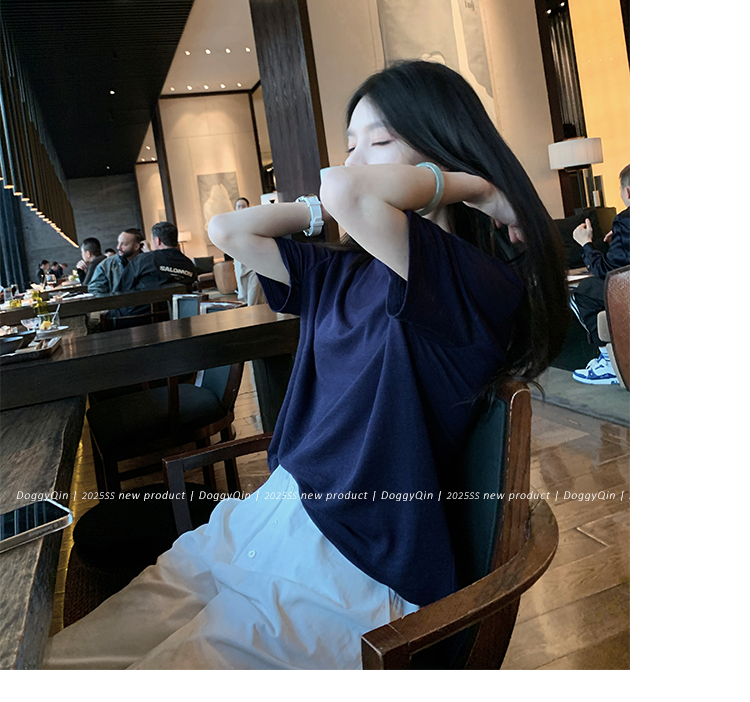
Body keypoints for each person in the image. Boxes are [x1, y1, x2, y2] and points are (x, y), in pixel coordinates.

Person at [44, 61, 568, 670]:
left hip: (351, 567)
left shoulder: (469, 281)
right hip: (271, 515)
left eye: (379, 142)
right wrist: (319, 212)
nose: (353, 160)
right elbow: (227, 228)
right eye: (350, 145)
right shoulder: (345, 270)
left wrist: (474, 185)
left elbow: (350, 192)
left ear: (439, 148)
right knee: (68, 660)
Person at [570, 164, 630, 386]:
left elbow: (609, 273)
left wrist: (585, 243)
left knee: (584, 291)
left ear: (628, 192)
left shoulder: (626, 219)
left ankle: (611, 362)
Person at [104, 222, 198, 321]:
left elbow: (120, 291)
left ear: (157, 240)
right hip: (176, 316)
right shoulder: (189, 264)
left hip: (138, 318)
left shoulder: (143, 260)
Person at [87, 229, 145, 296]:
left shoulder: (148, 263)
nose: (118, 247)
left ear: (136, 246)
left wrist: (148, 252)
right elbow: (95, 290)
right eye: (118, 243)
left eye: (123, 244)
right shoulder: (106, 265)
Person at [232, 197, 267, 306]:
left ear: (248, 207)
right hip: (240, 261)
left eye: (243, 206)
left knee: (254, 291)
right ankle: (252, 312)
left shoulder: (254, 221)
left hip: (254, 260)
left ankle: (255, 311)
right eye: (239, 206)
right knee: (244, 293)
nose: (241, 208)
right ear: (235, 208)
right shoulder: (232, 223)